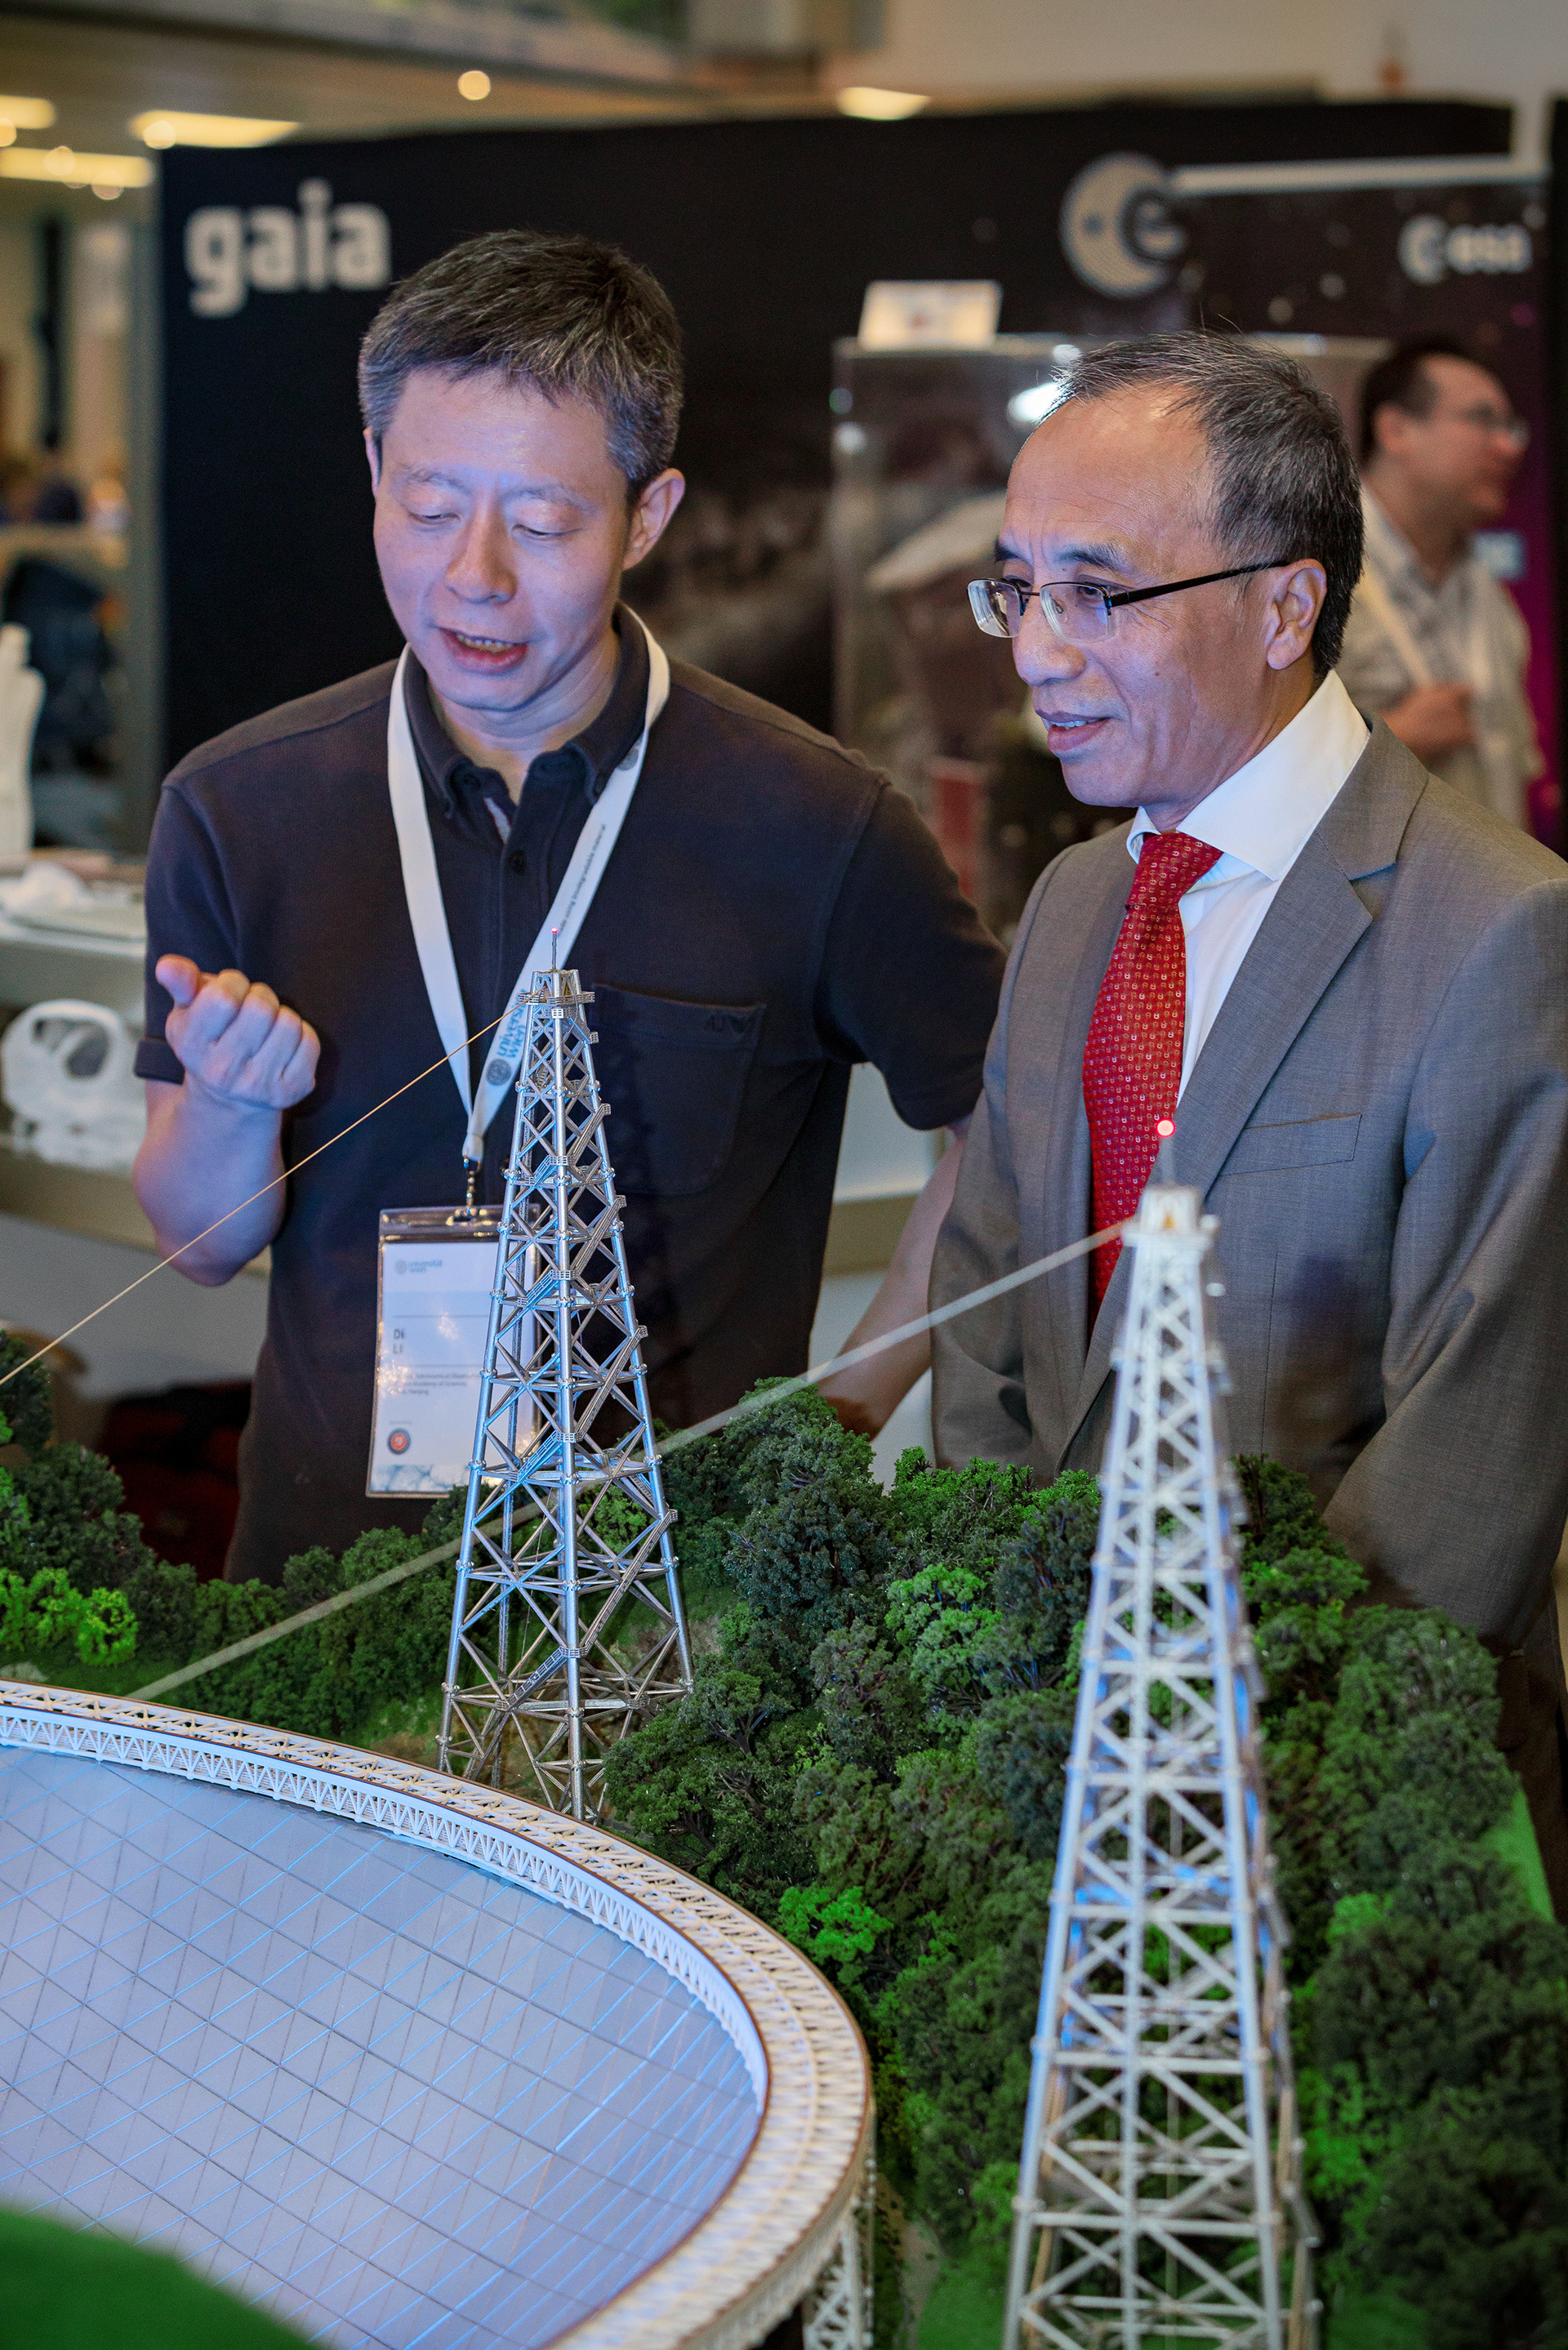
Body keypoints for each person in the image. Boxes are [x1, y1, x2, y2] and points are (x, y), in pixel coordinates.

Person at [133, 230, 1003, 1584]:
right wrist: (232, 1106)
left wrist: (847, 1403)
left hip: (681, 1605)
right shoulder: (239, 807)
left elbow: (1005, 1132)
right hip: (315, 1582)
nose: (474, 575)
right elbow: (196, 1245)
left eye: (541, 523)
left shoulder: (816, 823)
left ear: (648, 517)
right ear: (372, 469)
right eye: (428, 507)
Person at [930, 332, 1568, 1905]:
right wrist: (1021, 1674)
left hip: (1351, 1816)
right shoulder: (1076, 902)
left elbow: (1469, 1476)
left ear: (1286, 607)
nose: (1036, 652)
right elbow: (991, 1317)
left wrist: (1213, 1762)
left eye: (1097, 593)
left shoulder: (1500, 927)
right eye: (1017, 590)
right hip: (1054, 1772)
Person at [1337, 337, 1544, 830]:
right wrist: (1395, 740)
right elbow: (1243, 778)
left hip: (1492, 873)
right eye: (1482, 420)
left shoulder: (1487, 592)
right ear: (1396, 430)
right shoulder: (1314, 579)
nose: (1508, 447)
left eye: (1510, 427)